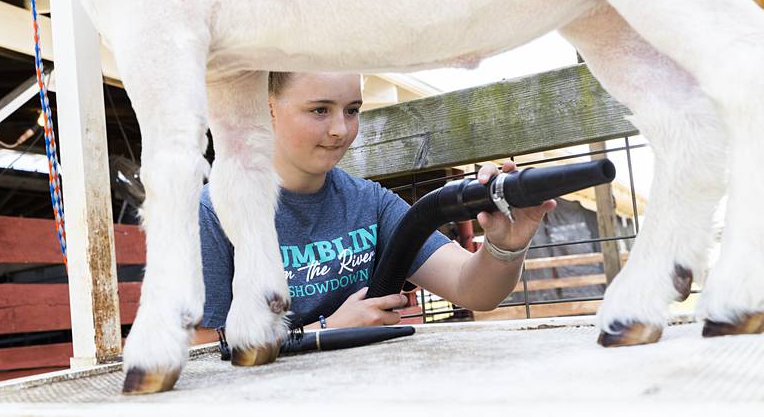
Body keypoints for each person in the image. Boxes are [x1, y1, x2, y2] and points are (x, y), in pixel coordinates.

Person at [192, 72, 555, 344]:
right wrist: (327, 331)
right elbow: (204, 350)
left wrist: (506, 245)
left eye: (352, 110)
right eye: (320, 110)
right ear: (266, 108)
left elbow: (474, 290)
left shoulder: (371, 202)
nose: (341, 129)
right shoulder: (213, 211)